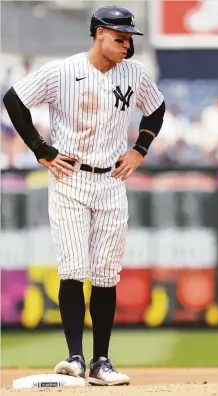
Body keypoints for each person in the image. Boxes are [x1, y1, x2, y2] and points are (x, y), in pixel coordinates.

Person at [2, 6, 165, 386]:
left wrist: (139, 149)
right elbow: (14, 99)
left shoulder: (135, 73)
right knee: (74, 268)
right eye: (120, 37)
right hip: (70, 177)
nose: (127, 44)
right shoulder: (63, 71)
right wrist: (41, 149)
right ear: (99, 34)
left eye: (129, 38)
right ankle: (74, 356)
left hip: (111, 179)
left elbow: (155, 109)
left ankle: (101, 361)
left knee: (107, 273)